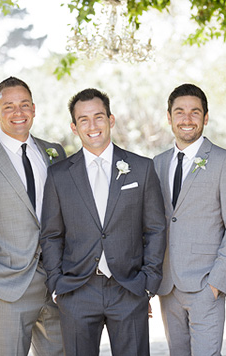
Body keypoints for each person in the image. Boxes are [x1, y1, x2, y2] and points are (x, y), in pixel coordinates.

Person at [40, 88, 166, 356]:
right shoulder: (59, 175)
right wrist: (56, 283)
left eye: (98, 117)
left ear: (111, 120)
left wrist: (148, 281)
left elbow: (155, 229)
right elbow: (51, 235)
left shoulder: (141, 168)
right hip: (76, 292)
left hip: (129, 289)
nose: (92, 125)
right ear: (74, 127)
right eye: (83, 120)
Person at [153, 83, 226, 356]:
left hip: (205, 285)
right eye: (180, 112)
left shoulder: (224, 161)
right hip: (168, 284)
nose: (187, 119)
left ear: (205, 118)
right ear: (169, 117)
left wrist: (217, 282)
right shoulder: (157, 164)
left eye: (195, 112)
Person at [0, 76, 65, 356]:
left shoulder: (54, 152)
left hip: (57, 284)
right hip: (8, 289)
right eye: (9, 106)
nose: (18, 112)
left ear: (34, 109)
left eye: (24, 105)